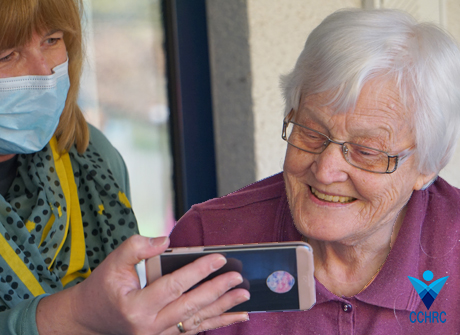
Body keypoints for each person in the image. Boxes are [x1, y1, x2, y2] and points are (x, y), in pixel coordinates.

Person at [169, 8, 460, 334]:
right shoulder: (210, 241)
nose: (325, 171)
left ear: (428, 165)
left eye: (366, 152)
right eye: (310, 133)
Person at [0, 0, 249, 334]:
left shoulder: (89, 155)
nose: (45, 70)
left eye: (52, 40)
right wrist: (77, 313)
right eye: (7, 55)